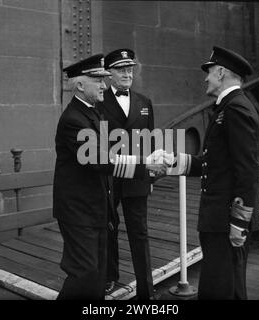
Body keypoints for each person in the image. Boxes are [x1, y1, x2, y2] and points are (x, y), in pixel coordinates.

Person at [53, 54, 166, 300]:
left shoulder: (93, 113)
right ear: (81, 85)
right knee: (84, 273)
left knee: (95, 275)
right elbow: (102, 161)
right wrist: (145, 165)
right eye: (98, 80)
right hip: (79, 211)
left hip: (97, 208)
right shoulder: (75, 120)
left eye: (105, 80)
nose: (105, 85)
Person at [163, 46, 259, 299]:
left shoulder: (235, 109)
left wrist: (239, 222)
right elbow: (212, 163)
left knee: (220, 288)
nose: (205, 78)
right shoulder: (228, 107)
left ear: (220, 73)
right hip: (217, 220)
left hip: (225, 221)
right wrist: (172, 162)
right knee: (226, 286)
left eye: (208, 72)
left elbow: (247, 170)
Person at [97, 48, 155, 300]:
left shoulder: (144, 103)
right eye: (121, 69)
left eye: (129, 69)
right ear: (109, 73)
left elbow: (150, 143)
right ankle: (110, 277)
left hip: (136, 178)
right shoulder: (99, 102)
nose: (127, 73)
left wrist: (150, 177)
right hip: (109, 178)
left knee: (139, 232)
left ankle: (146, 289)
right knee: (108, 228)